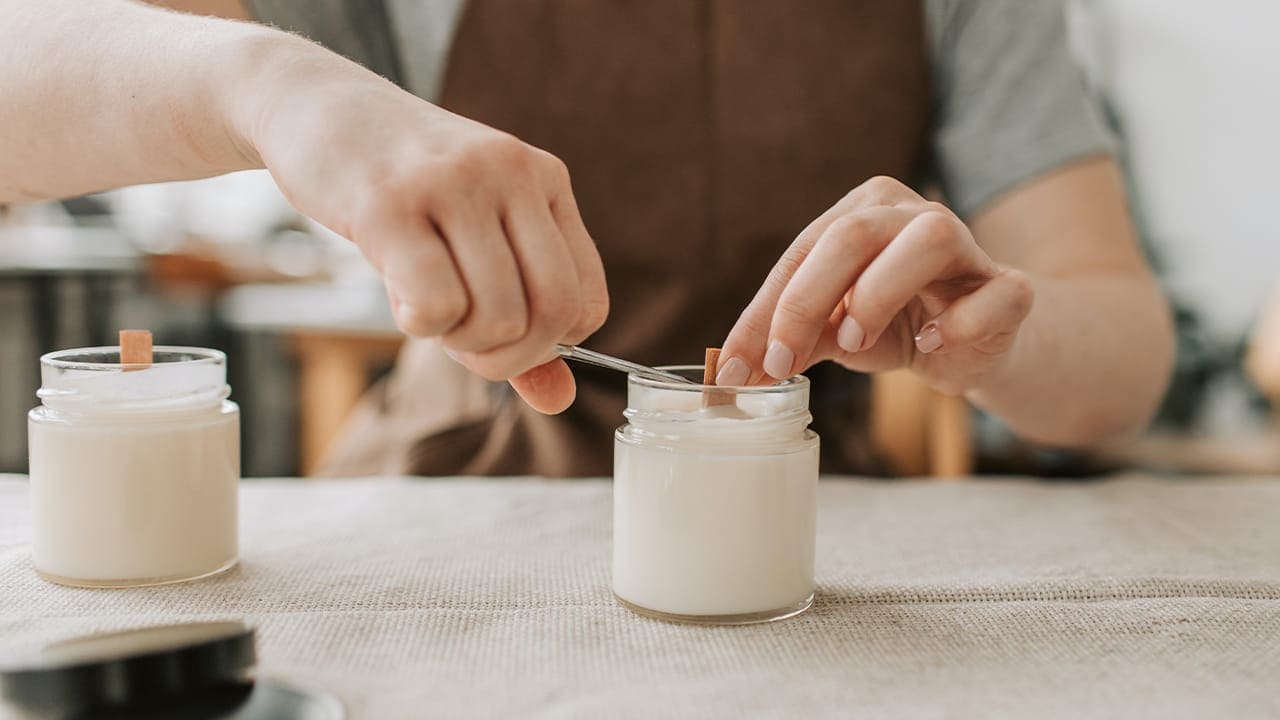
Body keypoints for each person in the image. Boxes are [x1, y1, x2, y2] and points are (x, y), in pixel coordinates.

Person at [1, 0, 1174, 476]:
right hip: (442, 503)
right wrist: (258, 80)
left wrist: (995, 345)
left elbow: (1119, 357)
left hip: (806, 530)